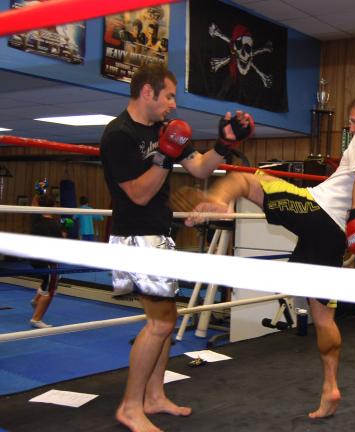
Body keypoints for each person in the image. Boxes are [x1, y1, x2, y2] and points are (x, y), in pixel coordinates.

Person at [186, 91, 355, 418]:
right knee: (323, 315)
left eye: (353, 121)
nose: (351, 128)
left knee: (243, 178)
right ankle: (330, 387)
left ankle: (219, 204)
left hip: (320, 212)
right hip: (335, 236)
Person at [99, 63, 253, 432]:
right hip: (134, 236)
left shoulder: (164, 130)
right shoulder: (118, 134)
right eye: (168, 96)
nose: (172, 104)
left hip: (159, 232)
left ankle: (154, 396)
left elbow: (200, 169)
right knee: (161, 321)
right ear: (148, 92)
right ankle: (130, 407)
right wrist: (164, 156)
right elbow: (137, 194)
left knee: (165, 322)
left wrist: (224, 144)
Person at [29, 194, 65, 329]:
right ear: (54, 207)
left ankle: (36, 301)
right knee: (51, 289)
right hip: (47, 260)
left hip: (34, 258)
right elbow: (60, 245)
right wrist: (66, 230)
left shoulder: (35, 218)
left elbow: (34, 204)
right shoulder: (53, 225)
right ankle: (36, 319)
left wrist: (39, 192)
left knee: (47, 279)